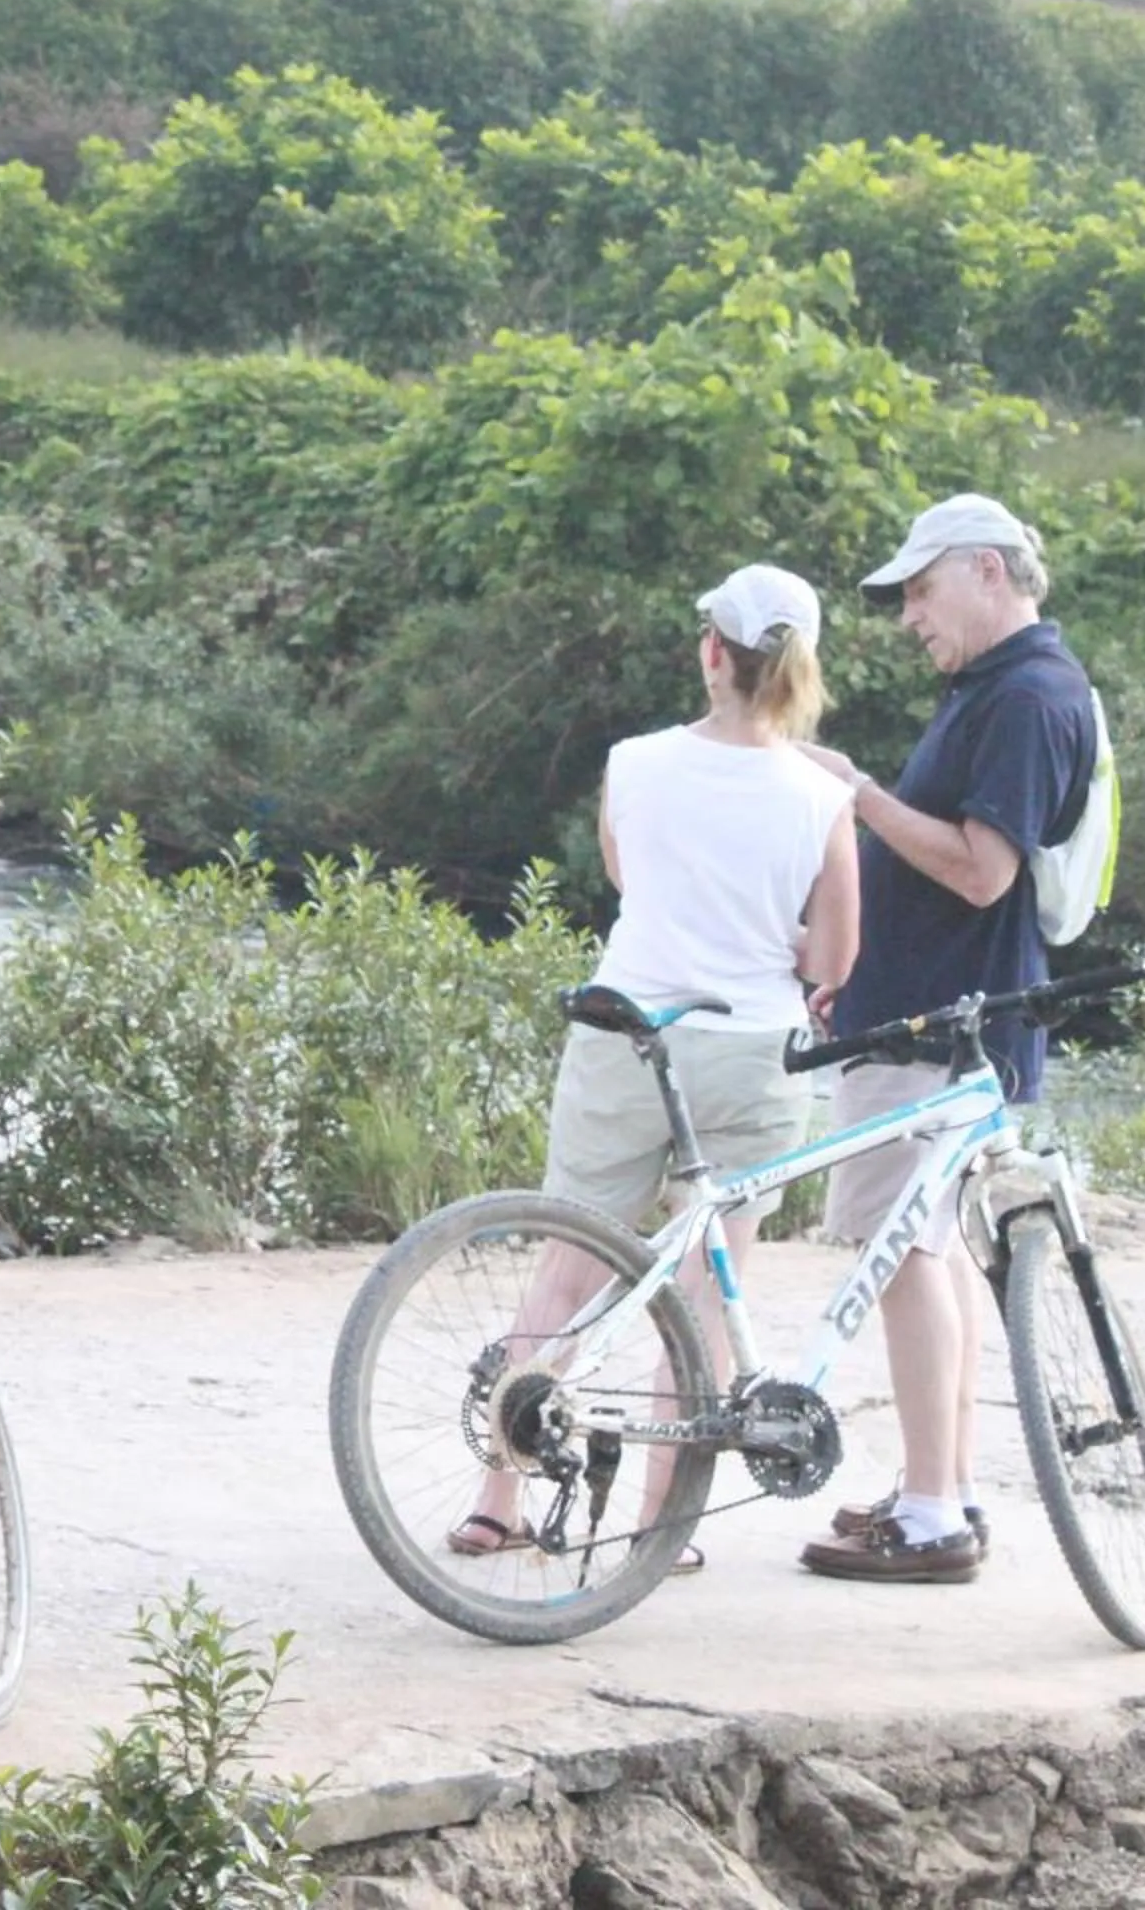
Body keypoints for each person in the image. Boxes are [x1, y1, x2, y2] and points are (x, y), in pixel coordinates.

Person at [449, 563, 859, 1561]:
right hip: (752, 1052)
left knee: (562, 1267)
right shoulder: (822, 793)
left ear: (712, 652)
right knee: (707, 1294)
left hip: (627, 1030)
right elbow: (834, 958)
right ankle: (659, 1530)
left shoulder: (632, 762)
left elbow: (630, 875)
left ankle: (495, 1501)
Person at [793, 493, 1101, 1585]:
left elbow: (983, 868)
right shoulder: (999, 687)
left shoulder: (1024, 696)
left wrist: (860, 792)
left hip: (942, 1027)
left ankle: (928, 1510)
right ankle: (946, 1485)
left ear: (986, 569)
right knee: (932, 1254)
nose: (909, 616)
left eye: (920, 590)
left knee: (904, 1252)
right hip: (935, 1015)